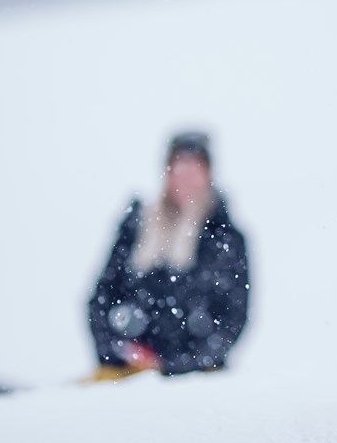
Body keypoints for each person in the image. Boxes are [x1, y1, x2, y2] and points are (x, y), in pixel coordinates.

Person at [88, 131, 249, 379]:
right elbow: (101, 298)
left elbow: (232, 319)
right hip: (128, 373)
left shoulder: (226, 239)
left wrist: (172, 366)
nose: (186, 177)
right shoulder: (137, 227)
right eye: (179, 167)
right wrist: (119, 352)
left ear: (208, 174)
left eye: (194, 167)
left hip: (198, 378)